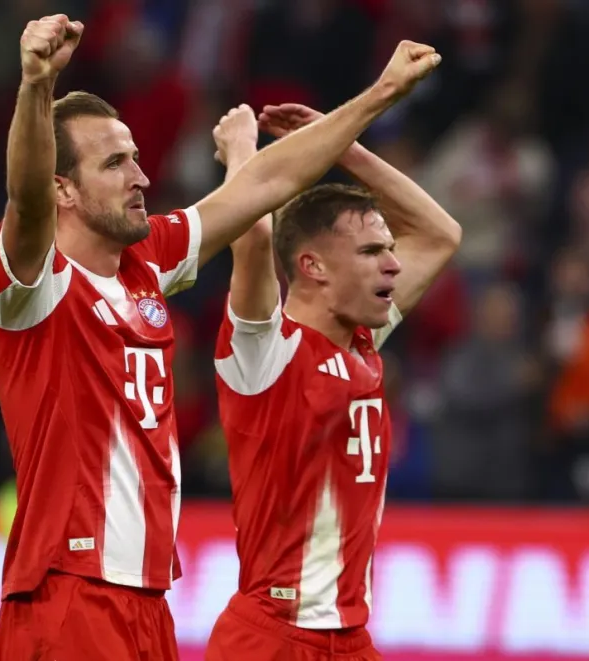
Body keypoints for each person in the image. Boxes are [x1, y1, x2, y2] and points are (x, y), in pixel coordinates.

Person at [0, 14, 442, 661]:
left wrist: (377, 97)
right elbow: (25, 200)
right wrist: (35, 85)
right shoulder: (34, 285)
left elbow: (264, 188)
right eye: (116, 164)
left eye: (137, 157)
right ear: (65, 188)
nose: (141, 177)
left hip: (147, 601)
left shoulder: (148, 266)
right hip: (68, 592)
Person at [205, 103, 461, 660]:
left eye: (390, 249)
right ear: (314, 266)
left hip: (350, 639)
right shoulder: (266, 351)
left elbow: (441, 234)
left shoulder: (364, 342)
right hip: (272, 635)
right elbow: (251, 239)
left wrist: (342, 146)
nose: (393, 265)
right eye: (372, 251)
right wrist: (241, 151)